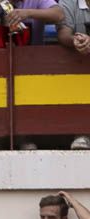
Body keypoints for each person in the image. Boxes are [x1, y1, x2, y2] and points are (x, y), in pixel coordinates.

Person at [57, 0, 90, 149]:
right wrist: (76, 40)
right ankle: (83, 133)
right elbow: (64, 34)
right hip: (78, 66)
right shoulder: (69, 1)